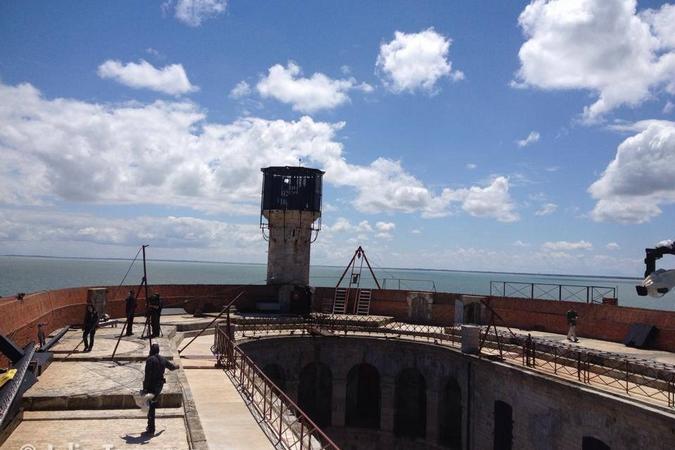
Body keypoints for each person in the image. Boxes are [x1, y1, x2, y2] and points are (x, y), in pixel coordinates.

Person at [142, 343, 177, 435]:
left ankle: (151, 429)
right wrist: (177, 366)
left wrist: (145, 388)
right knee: (151, 405)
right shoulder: (163, 359)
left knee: (151, 407)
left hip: (151, 386)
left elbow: (147, 375)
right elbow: (172, 367)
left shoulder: (150, 360)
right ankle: (150, 426)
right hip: (159, 386)